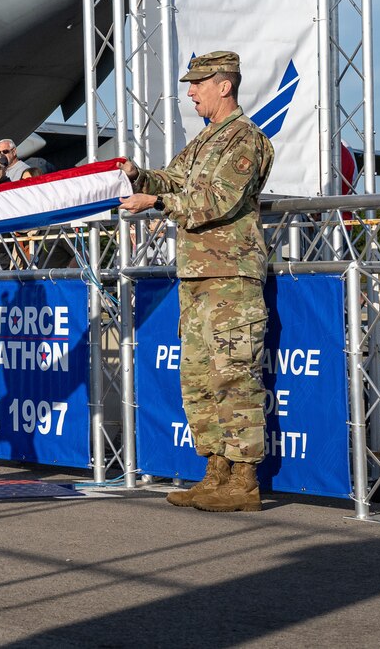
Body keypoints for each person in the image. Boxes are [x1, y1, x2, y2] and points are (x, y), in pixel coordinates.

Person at [121, 51, 274, 514]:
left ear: (223, 85)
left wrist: (156, 201)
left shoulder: (245, 139)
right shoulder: (205, 140)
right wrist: (137, 176)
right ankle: (215, 473)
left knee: (235, 377)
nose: (190, 92)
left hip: (231, 277)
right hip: (197, 277)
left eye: (197, 84)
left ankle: (244, 481)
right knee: (199, 380)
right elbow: (172, 179)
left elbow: (218, 199)